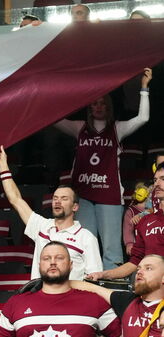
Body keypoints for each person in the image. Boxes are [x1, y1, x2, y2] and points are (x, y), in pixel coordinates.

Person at [54, 68, 152, 270]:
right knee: (84, 245)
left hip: (109, 194)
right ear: (89, 108)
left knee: (111, 249)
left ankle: (113, 290)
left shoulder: (117, 128)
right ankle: (86, 285)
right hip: (83, 195)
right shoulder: (79, 127)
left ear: (109, 107)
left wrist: (144, 88)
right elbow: (54, 118)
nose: (98, 107)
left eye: (102, 103)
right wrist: (58, 88)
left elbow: (142, 118)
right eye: (94, 103)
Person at [0, 145, 102, 279]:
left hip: (69, 298)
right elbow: (15, 200)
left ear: (75, 207)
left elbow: (94, 278)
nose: (57, 202)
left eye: (64, 199)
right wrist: (3, 165)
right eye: (55, 198)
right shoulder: (42, 226)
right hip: (39, 297)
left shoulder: (86, 238)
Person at [90, 163, 164, 280]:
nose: (157, 184)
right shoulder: (145, 222)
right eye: (155, 180)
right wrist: (103, 274)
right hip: (150, 287)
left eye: (163, 179)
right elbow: (134, 263)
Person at [71, 254, 164, 337]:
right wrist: (58, 284)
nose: (139, 272)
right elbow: (93, 288)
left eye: (148, 268)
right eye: (138, 269)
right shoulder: (128, 301)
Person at [123, 183, 150, 256]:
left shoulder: (155, 209)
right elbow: (128, 229)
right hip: (139, 246)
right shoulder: (131, 211)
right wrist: (129, 243)